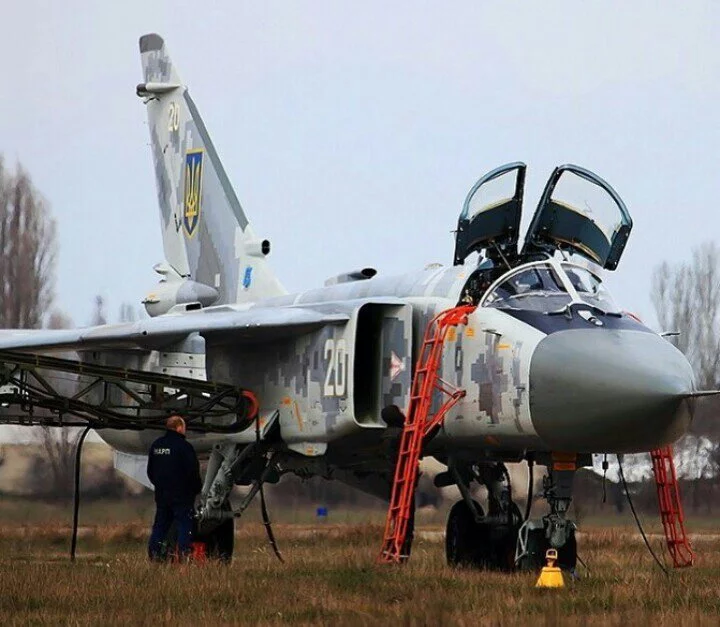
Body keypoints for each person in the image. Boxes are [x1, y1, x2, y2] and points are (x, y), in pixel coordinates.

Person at [146, 415, 202, 561]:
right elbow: (192, 471)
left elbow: (150, 471)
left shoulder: (157, 445)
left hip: (162, 495)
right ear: (179, 427)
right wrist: (196, 488)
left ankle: (154, 555)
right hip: (182, 495)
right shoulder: (184, 447)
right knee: (185, 526)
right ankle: (184, 555)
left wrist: (160, 485)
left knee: (160, 526)